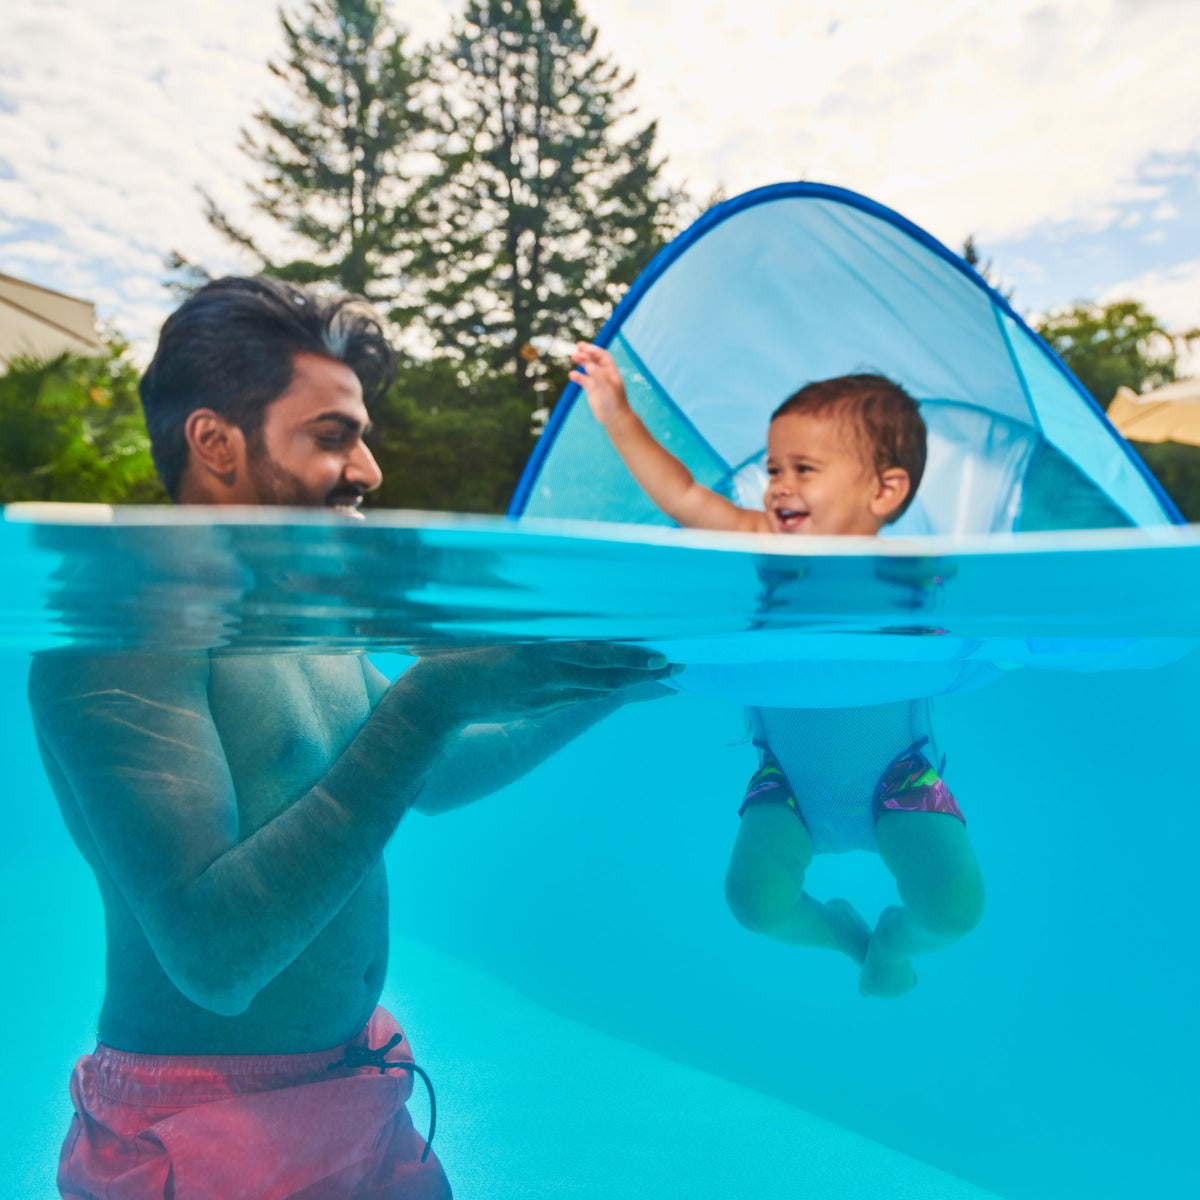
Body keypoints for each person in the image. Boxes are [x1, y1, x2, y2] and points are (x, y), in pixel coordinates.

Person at [28, 278, 676, 1200]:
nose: (371, 470)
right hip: (198, 1127)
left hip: (358, 1083)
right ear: (215, 442)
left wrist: (615, 679)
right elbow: (215, 962)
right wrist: (428, 701)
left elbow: (434, 772)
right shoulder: (125, 632)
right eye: (334, 436)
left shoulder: (301, 611)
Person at [569, 342, 984, 998]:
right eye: (773, 468)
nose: (779, 485)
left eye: (805, 468)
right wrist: (617, 413)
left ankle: (897, 941)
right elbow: (681, 496)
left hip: (898, 777)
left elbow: (970, 612)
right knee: (754, 902)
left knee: (954, 908)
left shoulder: (910, 563)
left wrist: (951, 582)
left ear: (884, 489)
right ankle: (845, 936)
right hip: (789, 782)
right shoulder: (767, 546)